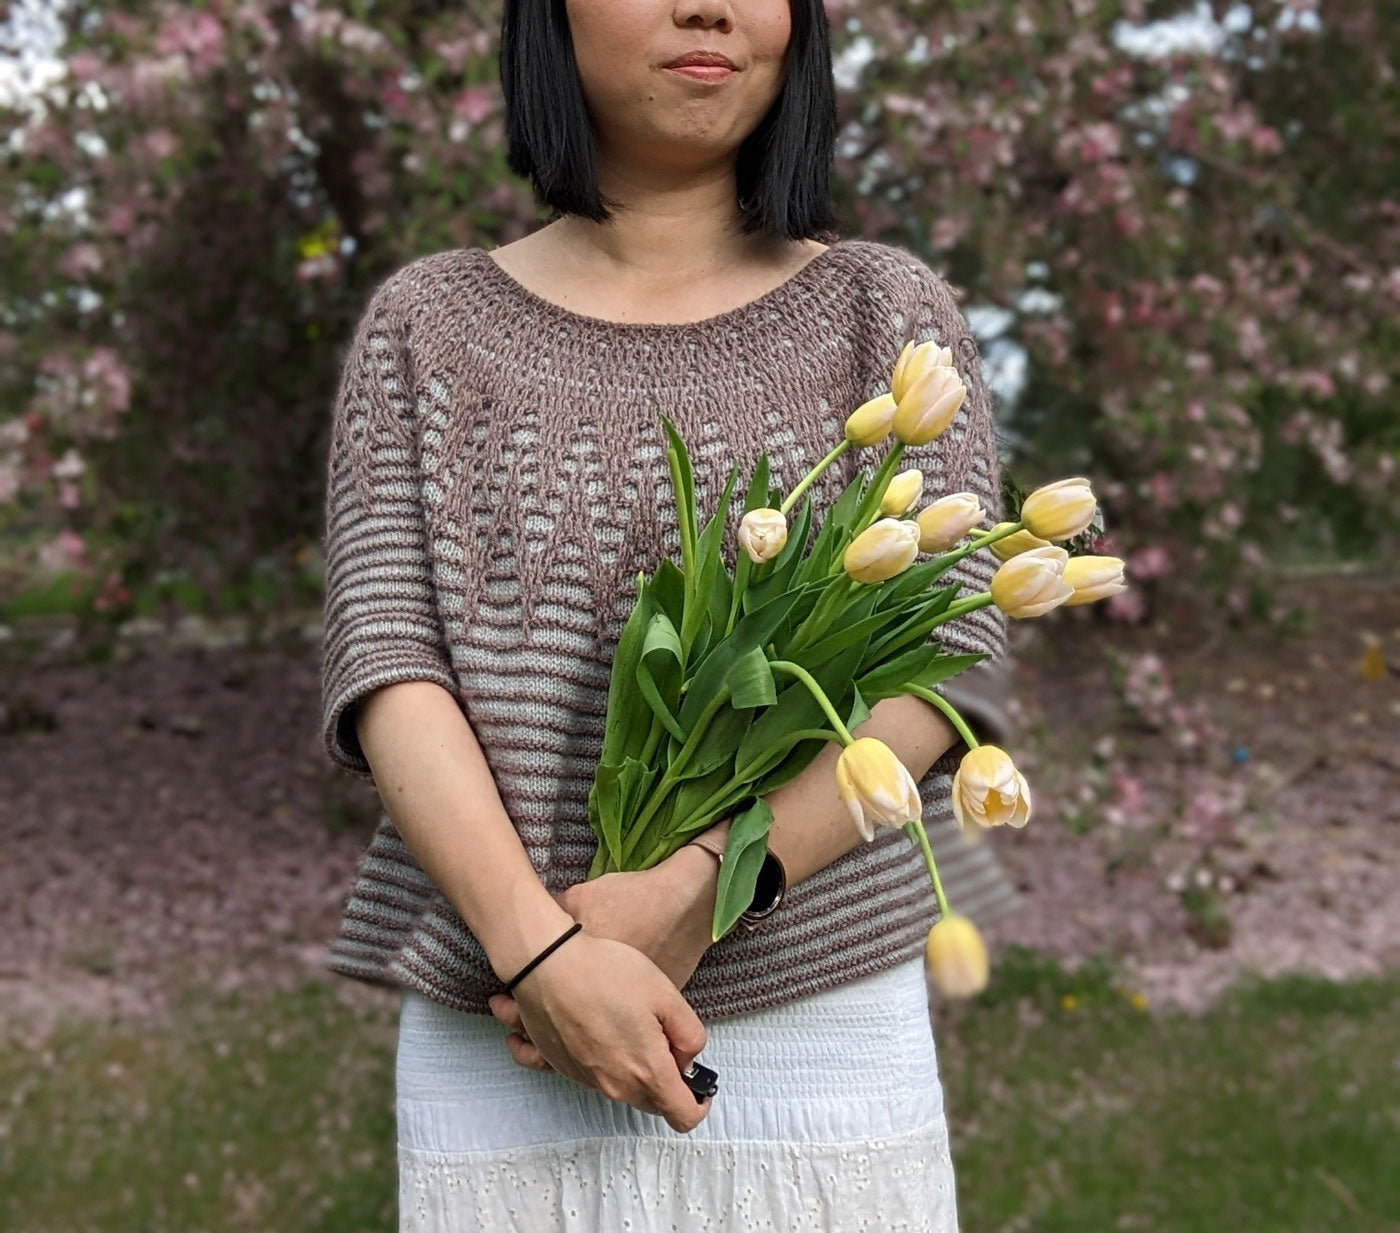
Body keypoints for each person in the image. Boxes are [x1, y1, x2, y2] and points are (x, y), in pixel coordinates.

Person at [317, 0, 1018, 1227]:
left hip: (823, 1014)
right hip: (505, 1024)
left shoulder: (882, 316)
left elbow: (941, 661)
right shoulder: (424, 328)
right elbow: (389, 666)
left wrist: (706, 886)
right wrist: (539, 955)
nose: (707, 5)